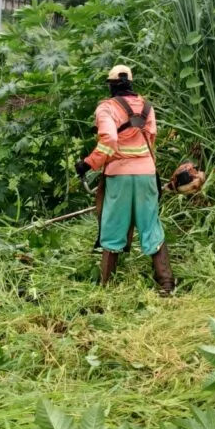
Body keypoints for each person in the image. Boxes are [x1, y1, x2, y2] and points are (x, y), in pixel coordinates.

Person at [75, 65, 175, 294]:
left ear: (110, 85)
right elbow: (151, 140)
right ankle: (166, 284)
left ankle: (107, 285)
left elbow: (109, 140)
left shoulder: (106, 108)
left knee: (113, 224)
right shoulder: (147, 107)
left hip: (119, 176)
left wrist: (88, 163)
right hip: (146, 174)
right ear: (130, 83)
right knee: (150, 224)